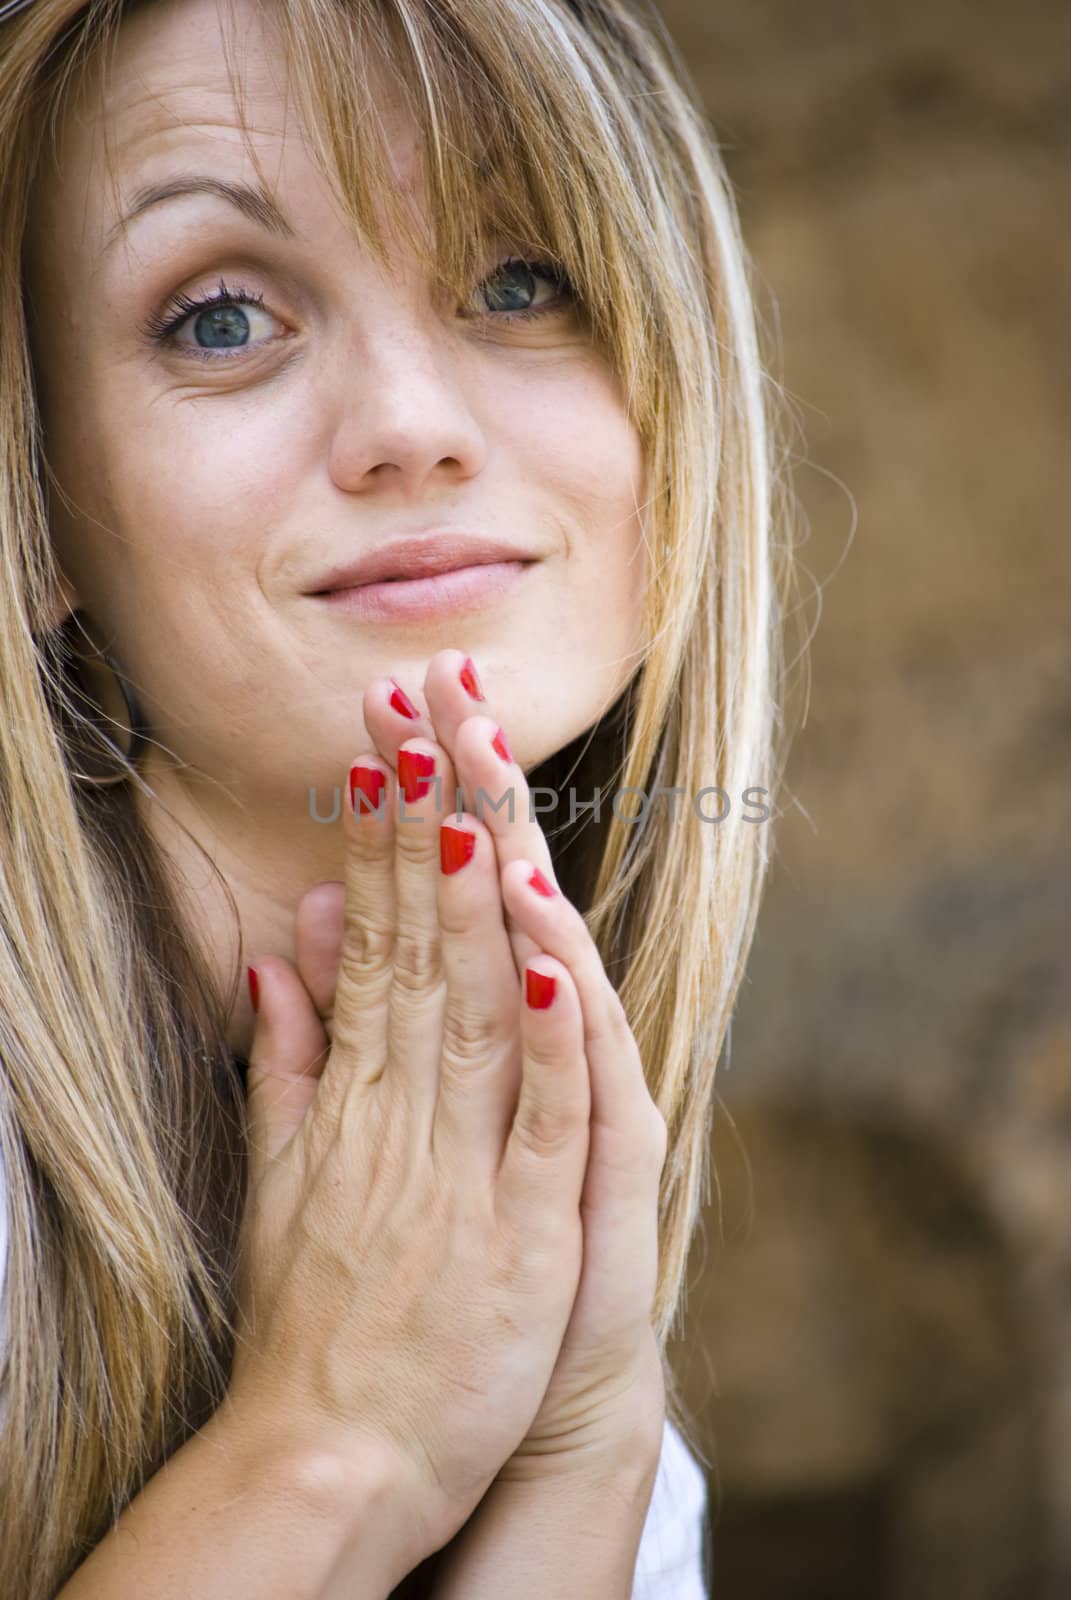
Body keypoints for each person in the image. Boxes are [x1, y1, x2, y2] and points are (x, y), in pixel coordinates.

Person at [0, 0, 792, 1593]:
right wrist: (332, 1449)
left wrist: (578, 1464)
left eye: (522, 281)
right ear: (39, 506)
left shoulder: (538, 1275)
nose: (415, 431)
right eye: (220, 318)